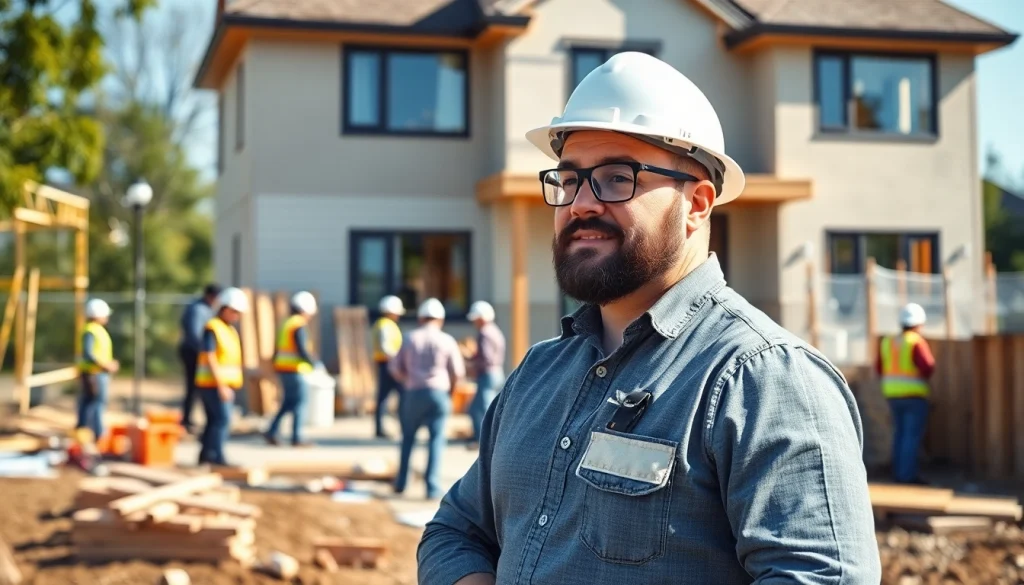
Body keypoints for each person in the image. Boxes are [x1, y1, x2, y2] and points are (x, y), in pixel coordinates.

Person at [418, 52, 880, 584]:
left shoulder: (765, 379)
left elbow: (820, 576)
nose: (580, 204)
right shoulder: (537, 375)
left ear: (698, 204)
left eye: (617, 177)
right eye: (568, 180)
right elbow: (454, 532)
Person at [389, 298, 465, 500]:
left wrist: (407, 380)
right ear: (440, 319)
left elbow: (394, 368)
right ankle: (431, 487)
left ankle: (401, 482)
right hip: (439, 393)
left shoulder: (409, 338)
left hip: (413, 392)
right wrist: (450, 393)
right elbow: (458, 372)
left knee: (408, 438)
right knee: (436, 440)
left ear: (421, 318)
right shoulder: (446, 340)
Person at [876, 302, 935, 485]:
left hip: (892, 395)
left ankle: (898, 473)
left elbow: (879, 368)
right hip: (913, 395)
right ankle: (907, 475)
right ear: (919, 323)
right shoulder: (915, 342)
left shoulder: (888, 341)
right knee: (911, 436)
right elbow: (928, 367)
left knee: (900, 434)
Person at [194, 287, 249, 466]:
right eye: (234, 311)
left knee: (213, 420)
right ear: (224, 308)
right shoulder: (213, 328)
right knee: (222, 419)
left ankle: (205, 456)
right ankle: (217, 457)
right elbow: (210, 357)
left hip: (220, 384)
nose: (236, 316)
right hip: (213, 384)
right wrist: (221, 386)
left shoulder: (229, 330)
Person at [265, 291, 324, 447]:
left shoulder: (286, 323)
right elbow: (302, 349)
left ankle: (271, 431)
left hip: (283, 368)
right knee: (300, 403)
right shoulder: (298, 325)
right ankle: (297, 437)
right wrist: (314, 363)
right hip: (294, 369)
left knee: (288, 402)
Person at [178, 283, 221, 433]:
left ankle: (193, 419)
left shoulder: (207, 309)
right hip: (193, 352)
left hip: (200, 353)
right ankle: (186, 420)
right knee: (193, 387)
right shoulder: (198, 309)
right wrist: (205, 352)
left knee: (199, 387)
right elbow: (194, 335)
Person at [76, 299, 120, 442]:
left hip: (96, 373)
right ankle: (98, 434)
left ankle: (84, 431)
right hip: (94, 374)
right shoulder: (91, 330)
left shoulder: (96, 330)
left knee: (89, 402)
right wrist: (105, 365)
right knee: (96, 403)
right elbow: (88, 353)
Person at [464, 301, 506, 448]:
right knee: (488, 408)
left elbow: (486, 359)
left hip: (487, 375)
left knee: (480, 410)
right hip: (497, 373)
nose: (474, 322)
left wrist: (471, 363)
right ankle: (487, 439)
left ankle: (483, 441)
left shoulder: (484, 333)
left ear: (482, 318)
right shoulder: (495, 330)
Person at [372, 294, 405, 438]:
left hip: (387, 364)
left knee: (384, 398)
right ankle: (402, 426)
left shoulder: (385, 324)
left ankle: (381, 428)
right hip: (389, 365)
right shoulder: (385, 325)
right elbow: (386, 348)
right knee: (401, 396)